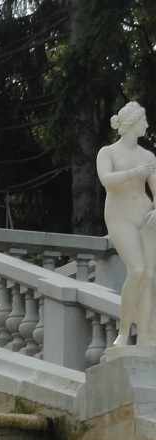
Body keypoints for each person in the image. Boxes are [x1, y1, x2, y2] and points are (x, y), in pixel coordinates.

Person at [97, 101, 156, 347]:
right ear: (132, 123)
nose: (147, 125)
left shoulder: (148, 156)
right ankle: (123, 332)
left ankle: (145, 335)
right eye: (143, 120)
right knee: (137, 270)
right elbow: (106, 181)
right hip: (119, 216)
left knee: (150, 276)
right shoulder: (107, 153)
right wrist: (135, 172)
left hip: (146, 215)